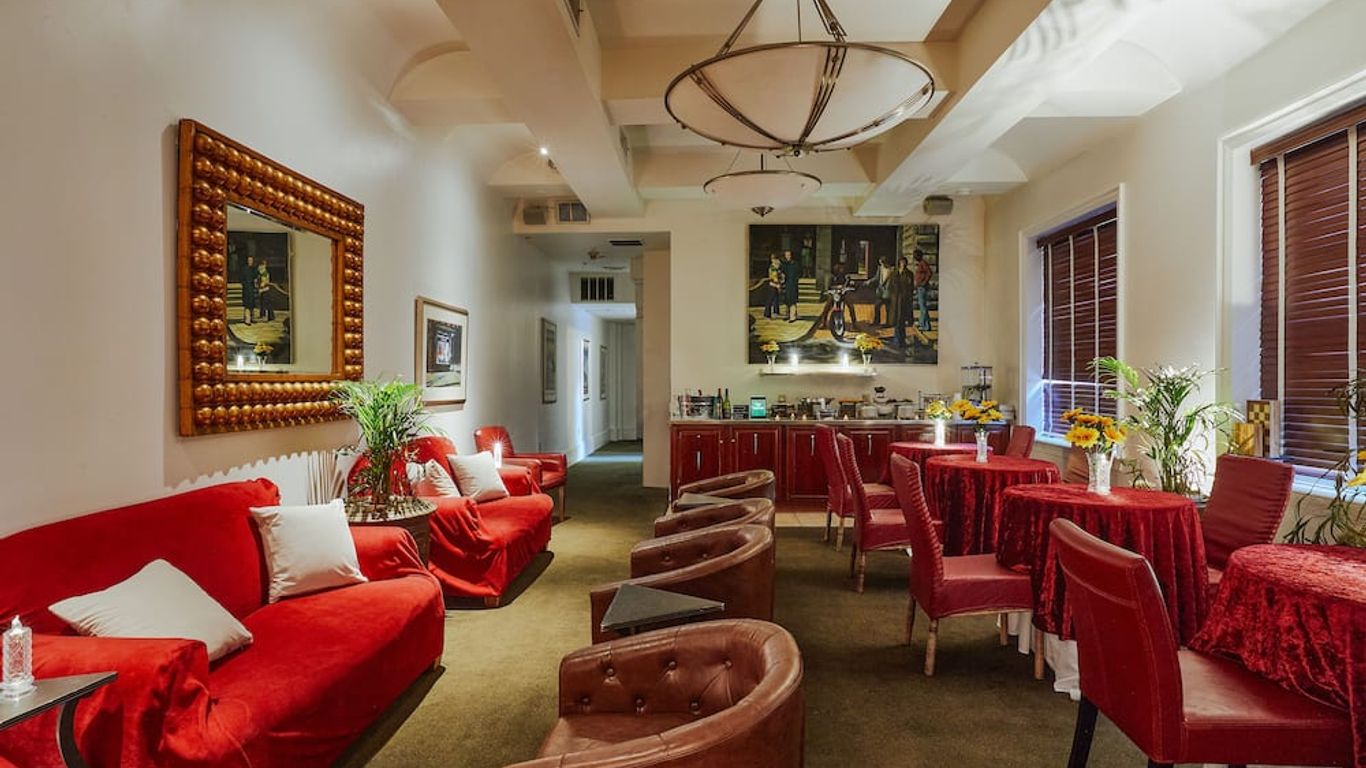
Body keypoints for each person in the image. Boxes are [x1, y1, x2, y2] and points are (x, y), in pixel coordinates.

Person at [889, 256, 915, 348]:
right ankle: (897, 339)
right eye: (901, 262)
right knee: (896, 320)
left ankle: (901, 340)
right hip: (895, 300)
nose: (903, 264)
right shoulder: (894, 273)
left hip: (904, 300)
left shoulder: (909, 274)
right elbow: (891, 285)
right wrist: (892, 295)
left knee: (902, 320)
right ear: (899, 263)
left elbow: (910, 286)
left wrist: (908, 296)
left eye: (904, 263)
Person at [913, 249, 933, 332]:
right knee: (922, 306)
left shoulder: (923, 263)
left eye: (915, 256)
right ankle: (922, 323)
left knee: (923, 307)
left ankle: (926, 326)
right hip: (919, 287)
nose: (914, 257)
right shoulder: (920, 263)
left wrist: (924, 282)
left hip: (922, 287)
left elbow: (929, 273)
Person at [780, 249, 801, 322]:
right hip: (787, 283)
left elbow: (798, 273)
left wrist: (795, 280)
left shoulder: (795, 264)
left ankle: (793, 316)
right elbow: (781, 272)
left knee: (792, 299)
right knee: (787, 300)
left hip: (793, 284)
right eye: (786, 255)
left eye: (789, 255)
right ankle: (788, 314)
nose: (788, 256)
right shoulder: (784, 264)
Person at [872, 255, 893, 325]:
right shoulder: (880, 269)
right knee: (877, 306)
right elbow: (876, 278)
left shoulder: (891, 270)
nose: (881, 265)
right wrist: (868, 282)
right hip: (880, 292)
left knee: (888, 308)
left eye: (882, 263)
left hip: (888, 292)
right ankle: (876, 321)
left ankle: (888, 323)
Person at [238, 250, 257, 325]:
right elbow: (241, 279)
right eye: (249, 260)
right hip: (246, 288)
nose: (250, 262)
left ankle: (252, 318)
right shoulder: (244, 269)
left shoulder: (254, 269)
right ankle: (247, 319)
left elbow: (255, 277)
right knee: (247, 304)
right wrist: (245, 284)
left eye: (251, 260)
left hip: (252, 288)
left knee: (252, 303)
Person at [764, 253, 783, 319]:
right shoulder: (772, 267)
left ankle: (776, 311)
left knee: (776, 299)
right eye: (774, 259)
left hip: (776, 284)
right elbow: (774, 277)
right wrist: (778, 284)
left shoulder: (777, 267)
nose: (776, 261)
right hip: (773, 284)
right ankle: (767, 314)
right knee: (770, 299)